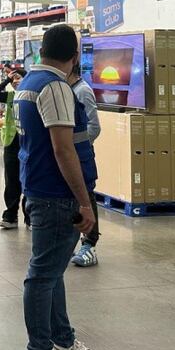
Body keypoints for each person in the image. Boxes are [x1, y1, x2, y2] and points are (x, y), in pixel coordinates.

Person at [16, 25, 108, 350]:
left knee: (52, 273)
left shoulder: (30, 82)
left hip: (41, 189)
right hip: (55, 195)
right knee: (42, 276)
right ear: (74, 57)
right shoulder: (55, 87)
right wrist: (85, 201)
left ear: (41, 49)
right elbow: (63, 148)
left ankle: (63, 342)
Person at [67, 63, 102, 267]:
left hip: (81, 157)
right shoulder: (66, 90)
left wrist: (74, 147)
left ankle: (90, 244)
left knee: (86, 196)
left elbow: (94, 127)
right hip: (70, 157)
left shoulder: (83, 91)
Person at [0, 68, 28, 229]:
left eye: (20, 78)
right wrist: (7, 80)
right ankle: (11, 214)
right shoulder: (10, 96)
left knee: (28, 179)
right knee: (11, 180)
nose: (17, 81)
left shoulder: (30, 96)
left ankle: (30, 216)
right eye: (15, 79)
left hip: (28, 142)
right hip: (11, 142)